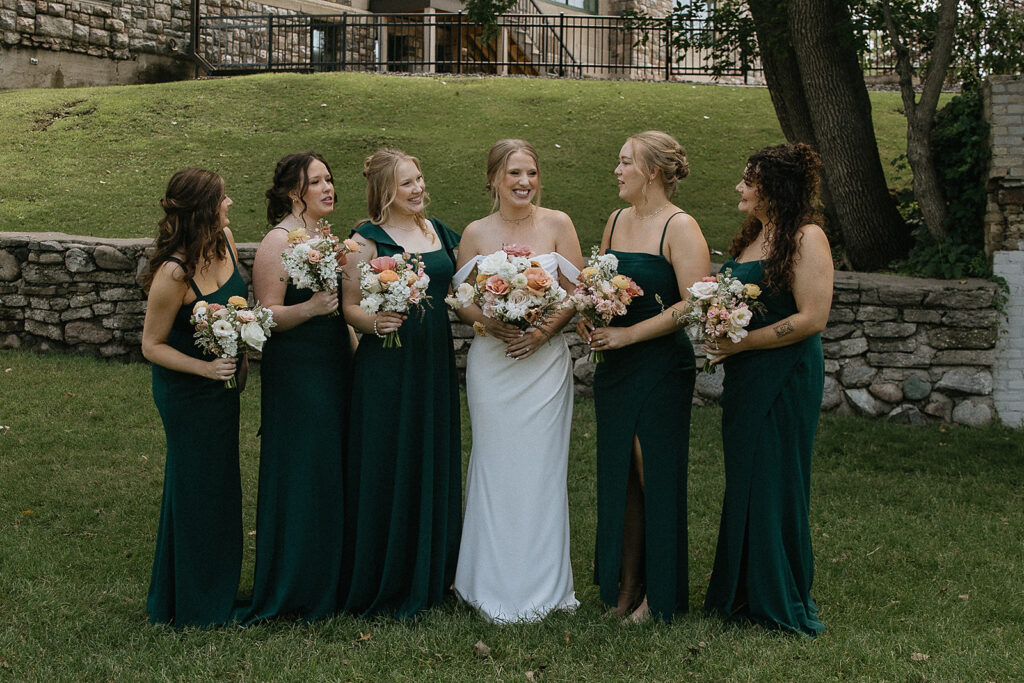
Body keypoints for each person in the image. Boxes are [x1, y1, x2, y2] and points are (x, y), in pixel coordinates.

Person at [576, 131, 709, 622]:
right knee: (623, 475)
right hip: (616, 366)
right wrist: (588, 314)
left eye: (625, 161)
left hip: (659, 367)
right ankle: (626, 588)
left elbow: (695, 304)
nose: (617, 169)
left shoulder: (680, 226)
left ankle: (661, 595)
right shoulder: (615, 220)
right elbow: (599, 283)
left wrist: (631, 337)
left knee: (654, 473)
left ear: (652, 171)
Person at [451, 139, 584, 623]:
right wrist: (489, 323)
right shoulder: (475, 232)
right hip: (495, 362)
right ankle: (484, 585)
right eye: (513, 174)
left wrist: (545, 328)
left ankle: (545, 589)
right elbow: (461, 299)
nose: (524, 182)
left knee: (542, 471)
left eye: (531, 173)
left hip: (544, 364)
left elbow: (579, 290)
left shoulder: (558, 224)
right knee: (494, 465)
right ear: (493, 179)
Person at [703, 143, 832, 637]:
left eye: (747, 180)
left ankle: (778, 594)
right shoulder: (754, 238)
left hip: (785, 374)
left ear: (774, 187)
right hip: (746, 375)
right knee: (746, 478)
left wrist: (743, 344)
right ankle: (741, 591)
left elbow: (812, 317)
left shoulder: (807, 237)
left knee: (776, 478)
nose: (739, 186)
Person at [339, 148, 462, 618]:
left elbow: (457, 291)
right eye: (407, 183)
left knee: (429, 454)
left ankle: (434, 573)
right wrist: (376, 325)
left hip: (432, 364)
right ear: (385, 191)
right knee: (389, 459)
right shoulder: (365, 241)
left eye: (420, 178)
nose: (418, 189)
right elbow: (348, 307)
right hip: (387, 367)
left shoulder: (438, 232)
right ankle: (384, 575)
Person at [241, 151, 351, 624]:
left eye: (329, 179)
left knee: (331, 468)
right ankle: (295, 584)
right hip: (298, 372)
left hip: (333, 365)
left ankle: (332, 577)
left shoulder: (323, 237)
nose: (328, 188)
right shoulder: (278, 241)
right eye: (317, 182)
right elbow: (265, 316)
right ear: (294, 193)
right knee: (303, 470)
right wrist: (310, 309)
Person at [140, 168, 246, 627]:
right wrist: (205, 368)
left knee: (220, 488)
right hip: (187, 393)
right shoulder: (174, 272)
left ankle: (216, 586)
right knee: (195, 489)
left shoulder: (224, 240)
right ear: (204, 207)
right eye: (223, 198)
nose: (229, 205)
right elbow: (152, 345)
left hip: (223, 387)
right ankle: (190, 603)